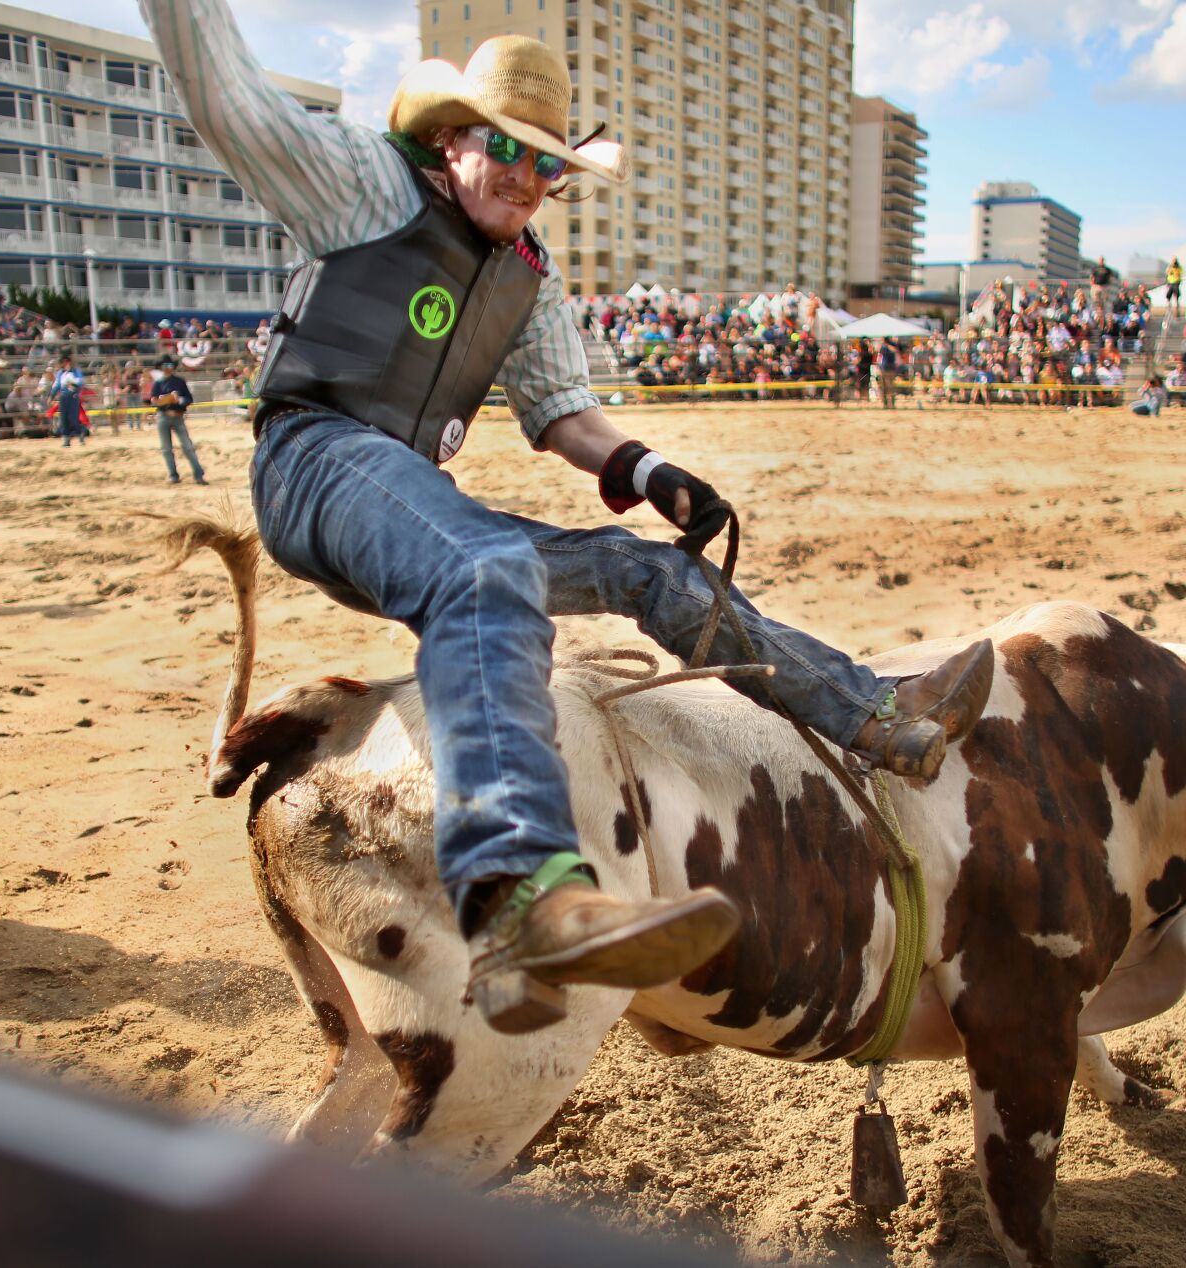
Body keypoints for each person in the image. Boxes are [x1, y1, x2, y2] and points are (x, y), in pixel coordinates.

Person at [142, 3, 993, 1034]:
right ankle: (516, 897)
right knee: (488, 565)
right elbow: (227, 96)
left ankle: (875, 715)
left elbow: (560, 414)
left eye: (545, 164)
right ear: (451, 138)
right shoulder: (365, 184)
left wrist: (648, 467)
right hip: (314, 460)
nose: (522, 176)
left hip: (410, 499)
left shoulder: (530, 283)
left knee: (656, 575)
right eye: (502, 147)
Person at [151, 354, 207, 485]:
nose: (167, 368)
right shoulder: (157, 384)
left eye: (169, 366)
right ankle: (173, 475)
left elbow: (188, 399)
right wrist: (161, 401)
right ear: (160, 368)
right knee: (166, 448)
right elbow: (153, 401)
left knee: (188, 447)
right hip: (163, 417)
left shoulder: (180, 382)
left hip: (177, 416)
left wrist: (179, 400)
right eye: (165, 366)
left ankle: (198, 474)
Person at [50, 354, 86, 447]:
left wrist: (72, 383)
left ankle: (80, 432)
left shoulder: (75, 372)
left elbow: (80, 383)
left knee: (73, 418)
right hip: (63, 397)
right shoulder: (60, 373)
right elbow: (57, 385)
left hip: (73, 397)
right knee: (64, 419)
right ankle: (66, 440)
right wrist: (51, 396)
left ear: (67, 362)